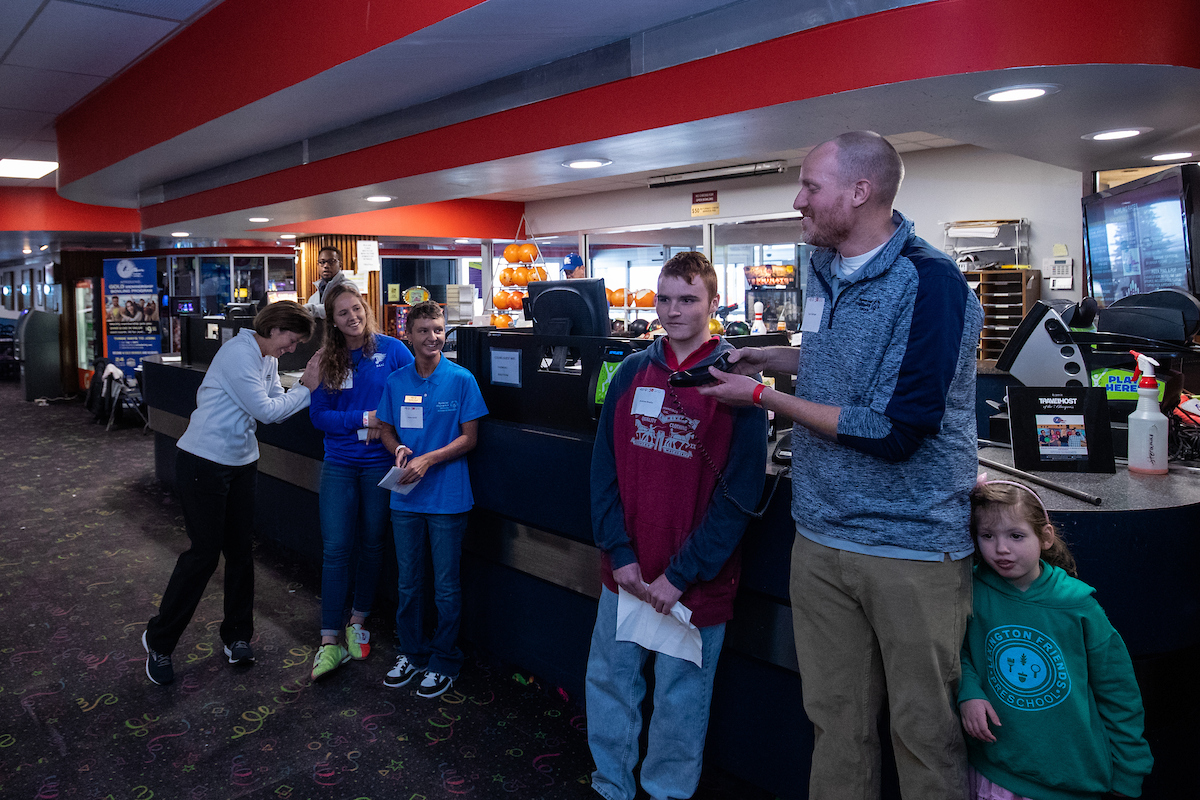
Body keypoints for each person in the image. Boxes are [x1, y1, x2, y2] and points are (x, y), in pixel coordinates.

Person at [699, 130, 984, 799]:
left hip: (909, 546)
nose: (798, 201)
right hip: (821, 536)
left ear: (860, 192)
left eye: (810, 187)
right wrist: (771, 359)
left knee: (924, 735)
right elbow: (843, 367)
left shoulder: (931, 283)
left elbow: (895, 429)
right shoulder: (821, 266)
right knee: (836, 725)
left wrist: (763, 398)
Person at [586, 251, 767, 800]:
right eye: (664, 299)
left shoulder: (737, 386)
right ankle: (610, 786)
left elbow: (739, 498)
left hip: (694, 586)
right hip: (626, 572)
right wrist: (620, 555)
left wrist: (681, 575)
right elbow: (603, 470)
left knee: (681, 701)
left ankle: (666, 793)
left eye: (687, 299)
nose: (672, 311)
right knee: (611, 684)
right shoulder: (632, 373)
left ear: (714, 303)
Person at [143, 301, 320, 685]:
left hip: (242, 462)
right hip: (203, 460)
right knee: (203, 555)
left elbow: (274, 404)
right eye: (292, 340)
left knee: (240, 553)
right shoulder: (238, 354)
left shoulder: (266, 358)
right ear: (274, 329)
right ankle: (159, 640)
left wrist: (301, 389)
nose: (292, 349)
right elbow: (268, 411)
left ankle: (237, 636)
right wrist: (307, 386)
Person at [960, 479, 1152, 800]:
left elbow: (1120, 695)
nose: (1001, 548)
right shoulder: (973, 590)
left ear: (1045, 537)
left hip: (1072, 782)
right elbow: (958, 650)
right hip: (995, 773)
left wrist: (1129, 776)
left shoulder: (1078, 606)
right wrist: (968, 692)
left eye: (1016, 536)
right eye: (987, 536)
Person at [375, 301, 488, 699]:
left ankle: (444, 658)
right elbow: (385, 428)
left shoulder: (461, 379)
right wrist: (399, 449)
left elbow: (469, 438)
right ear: (408, 334)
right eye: (424, 331)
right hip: (405, 498)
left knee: (445, 586)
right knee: (408, 584)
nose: (432, 338)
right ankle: (412, 652)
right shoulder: (396, 381)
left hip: (447, 500)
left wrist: (429, 459)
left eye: (438, 330)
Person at [307, 283, 414, 680]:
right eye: (342, 313)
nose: (352, 317)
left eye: (356, 309)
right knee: (336, 549)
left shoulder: (393, 350)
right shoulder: (325, 359)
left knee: (372, 545)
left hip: (378, 465)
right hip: (338, 464)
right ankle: (328, 640)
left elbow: (407, 400)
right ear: (332, 321)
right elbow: (320, 417)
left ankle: (357, 621)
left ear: (365, 308)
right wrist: (365, 419)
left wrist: (379, 424)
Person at [303, 246, 349, 319]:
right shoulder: (313, 298)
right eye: (322, 262)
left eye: (331, 262)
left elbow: (339, 308)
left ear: (340, 265)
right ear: (318, 265)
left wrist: (309, 309)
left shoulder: (348, 287)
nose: (326, 266)